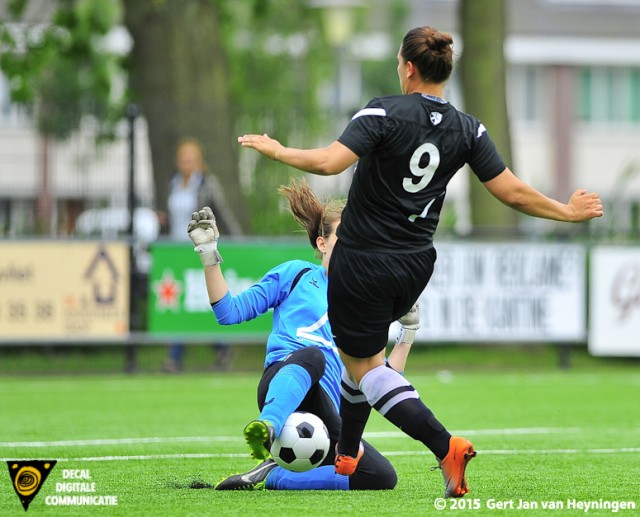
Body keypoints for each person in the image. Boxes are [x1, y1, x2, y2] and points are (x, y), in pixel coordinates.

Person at [237, 26, 604, 498]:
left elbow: (331, 162)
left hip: (363, 261)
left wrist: (278, 149)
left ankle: (443, 445)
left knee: (367, 369)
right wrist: (566, 211)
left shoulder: (384, 111)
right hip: (414, 266)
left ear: (408, 67)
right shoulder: (469, 128)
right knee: (360, 361)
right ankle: (347, 454)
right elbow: (510, 190)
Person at [187, 178, 418, 491]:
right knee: (314, 356)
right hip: (283, 381)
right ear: (322, 244)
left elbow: (379, 379)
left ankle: (276, 475)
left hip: (327, 415)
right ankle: (268, 426)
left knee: (380, 476)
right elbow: (229, 312)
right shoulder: (296, 274)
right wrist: (208, 253)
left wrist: (408, 332)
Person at [162, 138, 242, 373]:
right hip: (176, 251)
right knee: (181, 303)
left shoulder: (207, 183)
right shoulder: (173, 183)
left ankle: (218, 347)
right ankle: (179, 355)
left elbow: (222, 212)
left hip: (198, 250)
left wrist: (238, 239)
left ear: (198, 161)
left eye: (190, 159)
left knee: (200, 299)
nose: (186, 164)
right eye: (183, 159)